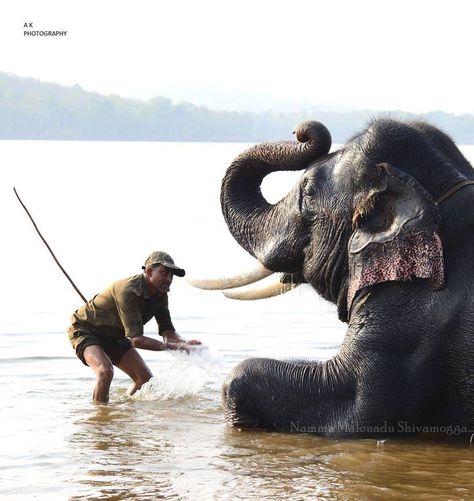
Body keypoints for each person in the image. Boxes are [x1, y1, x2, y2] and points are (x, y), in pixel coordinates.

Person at [67, 251, 201, 403]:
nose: (169, 279)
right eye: (164, 273)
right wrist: (173, 347)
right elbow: (137, 340)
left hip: (115, 336)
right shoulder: (129, 290)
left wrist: (186, 344)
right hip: (87, 330)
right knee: (105, 371)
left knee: (144, 380)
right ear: (149, 271)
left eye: (171, 275)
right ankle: (99, 419)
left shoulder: (161, 295)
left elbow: (168, 332)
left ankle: (124, 411)